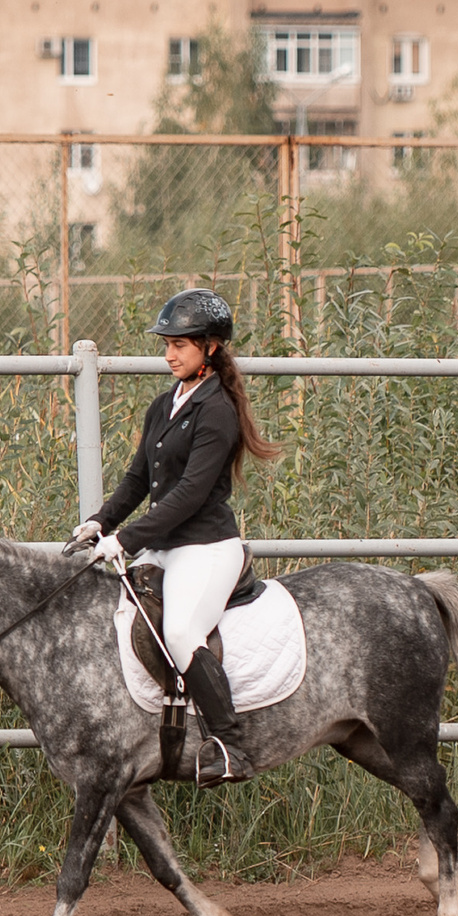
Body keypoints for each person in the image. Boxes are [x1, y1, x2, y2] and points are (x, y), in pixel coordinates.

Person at [70, 288, 282, 785]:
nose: (169, 354)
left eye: (180, 345)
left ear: (209, 347)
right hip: (168, 548)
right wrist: (100, 521)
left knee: (183, 633)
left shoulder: (218, 410)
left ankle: (231, 747)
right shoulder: (164, 404)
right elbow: (138, 479)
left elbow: (189, 494)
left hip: (207, 549)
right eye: (166, 344)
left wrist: (127, 539)